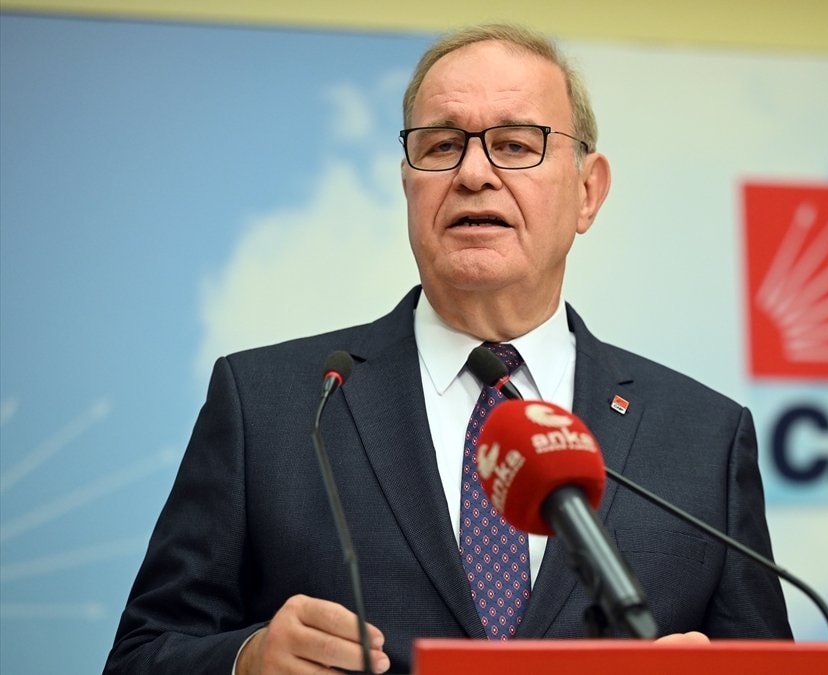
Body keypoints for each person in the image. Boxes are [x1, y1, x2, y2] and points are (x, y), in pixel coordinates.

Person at [105, 23, 791, 674]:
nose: (473, 173)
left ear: (588, 192)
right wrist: (247, 659)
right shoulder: (269, 405)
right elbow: (142, 654)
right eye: (440, 146)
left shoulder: (702, 437)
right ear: (408, 182)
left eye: (515, 145)